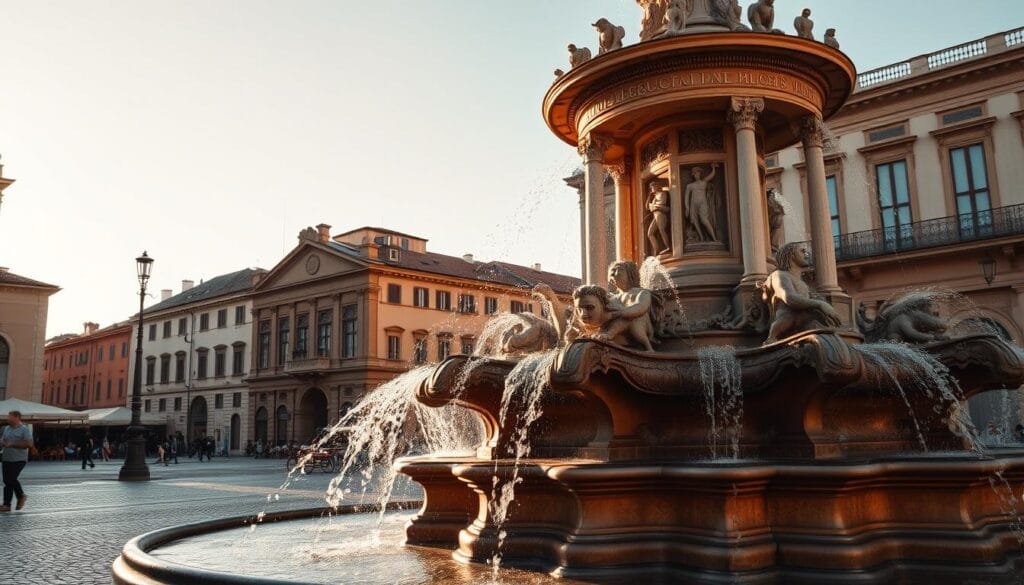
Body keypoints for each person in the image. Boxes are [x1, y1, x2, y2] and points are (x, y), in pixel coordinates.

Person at [1, 411, 33, 512]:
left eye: (9, 417)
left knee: (11, 479)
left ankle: (20, 496)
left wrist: (12, 444)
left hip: (19, 459)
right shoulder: (6, 428)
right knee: (7, 481)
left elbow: (29, 444)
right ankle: (7, 505)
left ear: (17, 417)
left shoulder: (24, 429)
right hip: (6, 458)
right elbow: (3, 441)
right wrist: (2, 442)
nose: (7, 418)